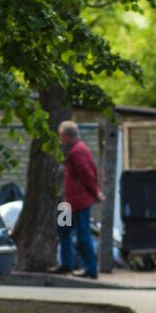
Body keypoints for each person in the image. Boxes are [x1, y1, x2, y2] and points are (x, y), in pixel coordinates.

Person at [53, 120, 102, 279]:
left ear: (67, 136)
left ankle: (91, 269)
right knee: (63, 230)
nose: (60, 139)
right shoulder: (74, 149)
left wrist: (95, 192)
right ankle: (66, 264)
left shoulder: (77, 151)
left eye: (61, 136)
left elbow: (87, 174)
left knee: (83, 235)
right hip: (67, 202)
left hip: (79, 201)